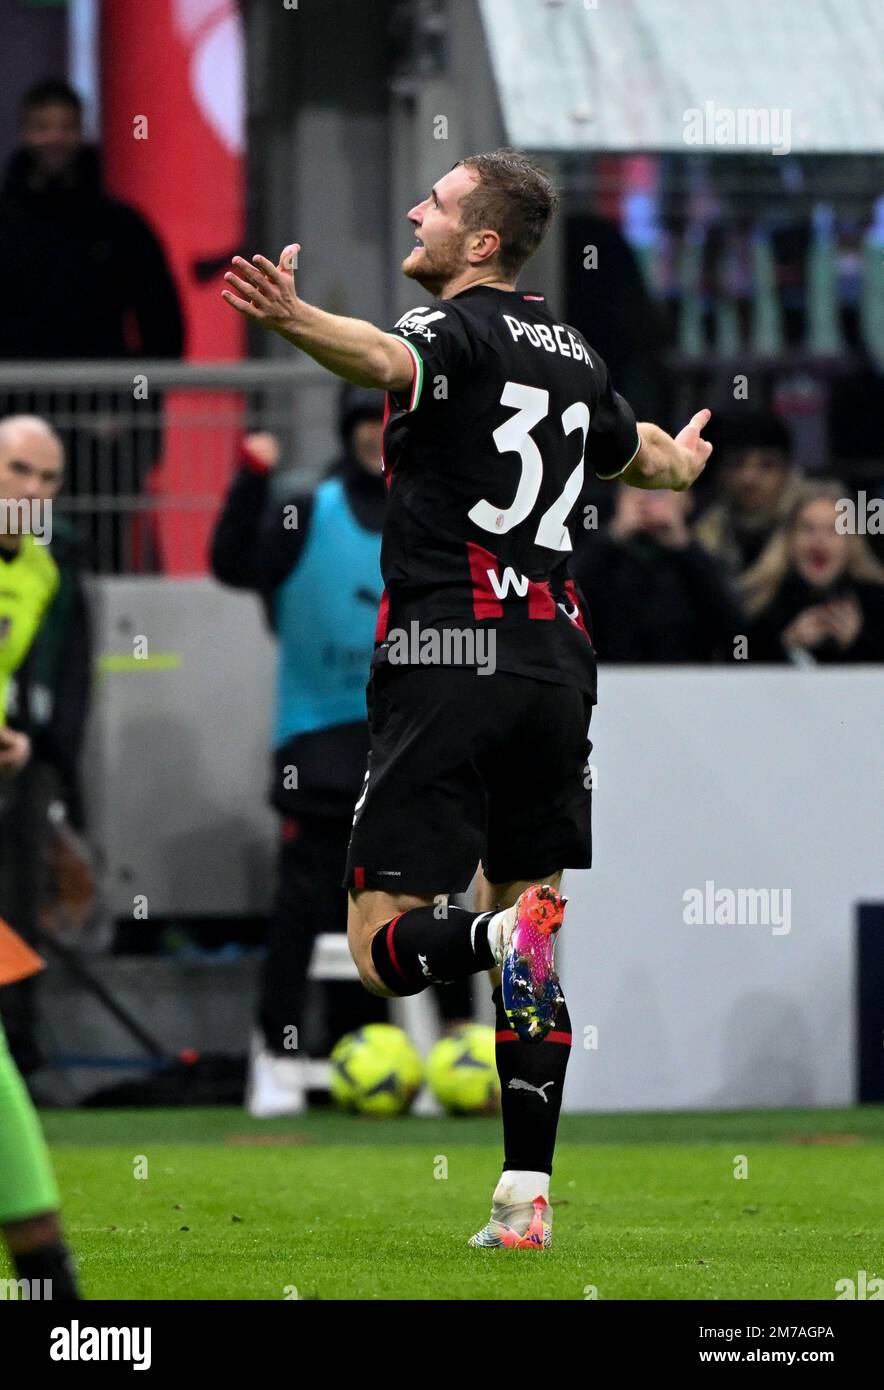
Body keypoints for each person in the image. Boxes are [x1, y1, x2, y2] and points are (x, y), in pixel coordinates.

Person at [221, 148, 710, 1249]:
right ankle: (524, 1196)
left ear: (480, 243)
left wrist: (297, 316)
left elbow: (379, 356)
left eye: (435, 203)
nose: (414, 209)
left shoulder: (453, 329)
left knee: (377, 946)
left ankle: (487, 930)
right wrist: (680, 461)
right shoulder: (576, 352)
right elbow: (650, 464)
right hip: (556, 663)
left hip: (449, 653)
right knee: (535, 942)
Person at [210, 393, 472, 1116]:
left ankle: (450, 1049)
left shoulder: (440, 513)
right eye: (365, 423)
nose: (375, 436)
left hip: (414, 734)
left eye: (388, 423)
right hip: (319, 740)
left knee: (432, 890)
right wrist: (248, 481)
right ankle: (277, 1057)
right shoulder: (306, 511)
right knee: (303, 904)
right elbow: (234, 565)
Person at [0, 79, 185, 572]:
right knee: (16, 558)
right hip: (12, 427)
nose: (54, 139)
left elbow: (164, 329)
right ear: (25, 133)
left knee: (98, 564)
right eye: (42, 127)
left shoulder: (120, 226)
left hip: (103, 434)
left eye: (65, 127)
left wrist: (134, 415)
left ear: (81, 133)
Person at [0, 417, 79, 1297]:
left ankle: (47, 1286)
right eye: (15, 470)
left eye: (46, 478)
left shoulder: (44, 570)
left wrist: (15, 744)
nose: (29, 490)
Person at [572, 484, 742, 663]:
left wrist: (684, 546)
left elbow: (732, 624)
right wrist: (614, 537)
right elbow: (568, 606)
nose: (648, 501)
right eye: (637, 489)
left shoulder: (707, 551)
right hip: (612, 677)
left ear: (687, 500)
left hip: (686, 678)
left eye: (661, 492)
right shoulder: (600, 554)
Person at [742, 480, 884, 664]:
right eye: (807, 529)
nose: (819, 541)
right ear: (788, 540)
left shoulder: (877, 603)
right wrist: (786, 645)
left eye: (833, 530)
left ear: (851, 542)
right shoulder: (758, 607)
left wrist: (858, 643)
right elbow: (734, 664)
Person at [694, 410, 803, 576]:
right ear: (722, 472)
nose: (749, 478)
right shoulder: (705, 532)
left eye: (766, 465)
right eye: (738, 463)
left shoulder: (811, 528)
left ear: (787, 472)